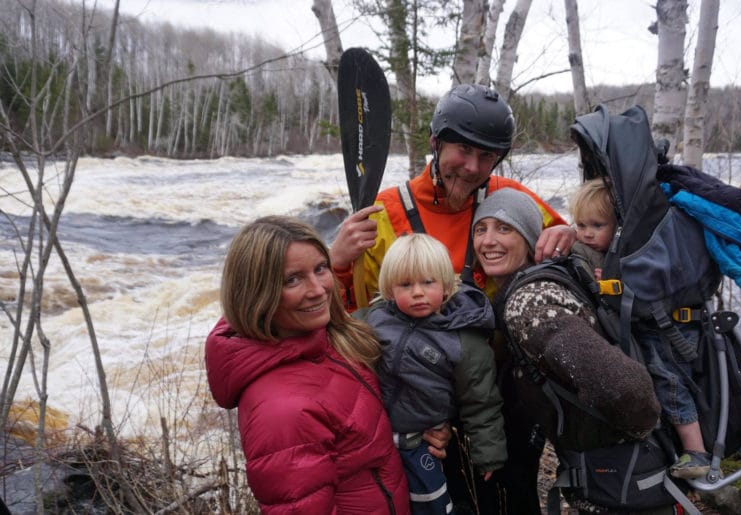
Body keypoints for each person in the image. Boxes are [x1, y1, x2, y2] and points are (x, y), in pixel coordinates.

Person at [331, 83, 577, 514]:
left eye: (487, 156)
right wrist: (336, 262)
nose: (472, 167)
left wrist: (568, 233)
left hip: (501, 393)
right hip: (425, 403)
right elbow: (354, 323)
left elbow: (572, 250)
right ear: (434, 142)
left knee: (513, 499)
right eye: (462, 149)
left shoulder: (509, 197)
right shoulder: (386, 212)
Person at [204, 216, 448, 514]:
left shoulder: (328, 337)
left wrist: (413, 426)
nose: (318, 289)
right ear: (257, 292)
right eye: (292, 279)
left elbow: (357, 426)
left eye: (320, 268)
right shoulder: (282, 413)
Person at [472, 187, 661, 451]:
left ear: (529, 239)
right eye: (480, 230)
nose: (488, 240)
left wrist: (637, 434)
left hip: (619, 463)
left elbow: (625, 387)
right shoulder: (535, 284)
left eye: (505, 229)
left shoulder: (529, 303)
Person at [569, 179, 712, 479]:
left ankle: (697, 453)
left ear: (619, 226)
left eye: (596, 225)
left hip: (671, 331)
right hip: (660, 329)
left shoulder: (633, 256)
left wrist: (612, 280)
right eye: (580, 225)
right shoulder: (612, 252)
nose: (586, 233)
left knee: (669, 383)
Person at [364, 233, 507, 514]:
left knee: (429, 503)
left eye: (428, 282)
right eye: (406, 284)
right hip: (378, 437)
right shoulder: (377, 318)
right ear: (391, 290)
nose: (417, 292)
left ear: (445, 285)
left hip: (422, 441)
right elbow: (341, 335)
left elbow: (481, 400)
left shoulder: (462, 339)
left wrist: (487, 453)